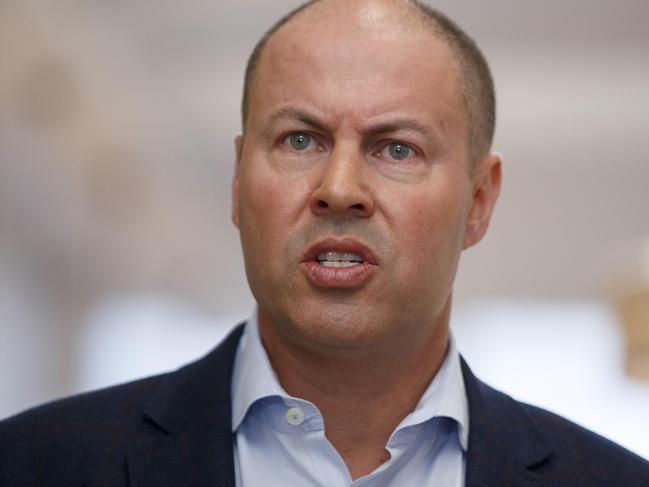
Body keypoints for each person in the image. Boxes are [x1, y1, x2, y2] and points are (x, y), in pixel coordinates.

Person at [1, 1, 647, 485]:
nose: (339, 189)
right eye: (299, 140)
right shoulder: (33, 464)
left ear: (478, 202)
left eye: (396, 147)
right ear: (236, 181)